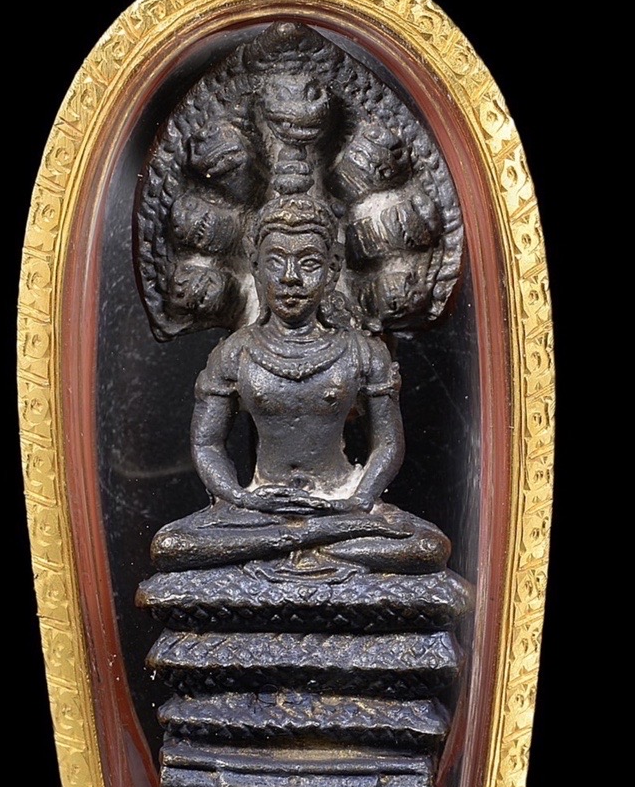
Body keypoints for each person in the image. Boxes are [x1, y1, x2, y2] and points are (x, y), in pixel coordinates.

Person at [150, 194, 449, 576]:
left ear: (332, 270)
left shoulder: (362, 351)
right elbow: (207, 443)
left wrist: (359, 499)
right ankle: (301, 542)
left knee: (427, 548)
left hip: (340, 505)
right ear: (256, 268)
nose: (291, 277)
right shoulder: (236, 352)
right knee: (172, 546)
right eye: (276, 261)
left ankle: (289, 544)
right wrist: (240, 497)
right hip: (260, 508)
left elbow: (388, 443)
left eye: (308, 263)